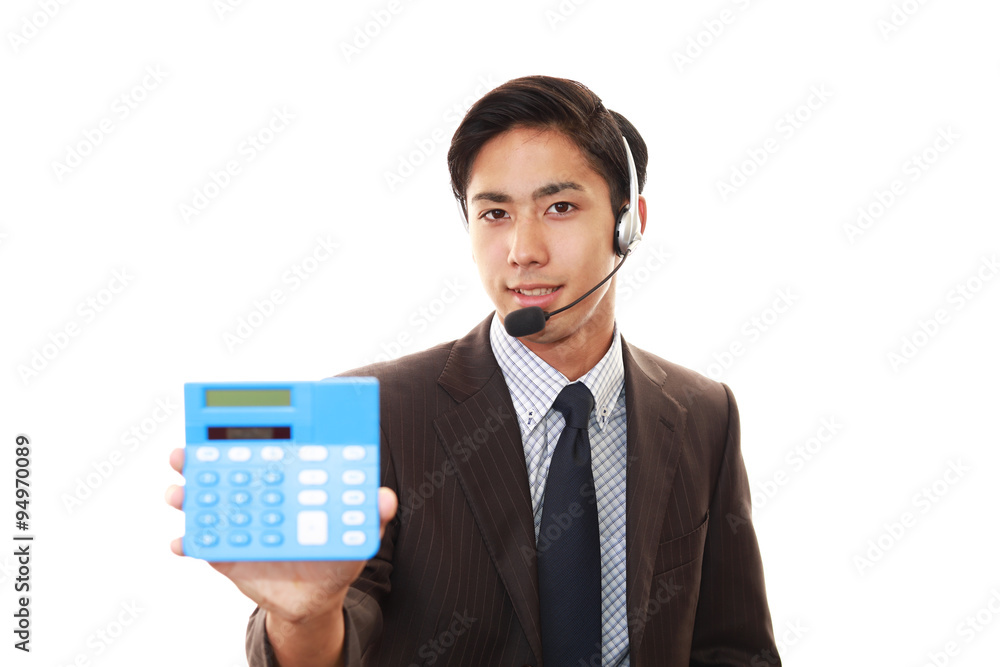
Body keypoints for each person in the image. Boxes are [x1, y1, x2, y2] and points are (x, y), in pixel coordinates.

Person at [167, 75, 780, 666]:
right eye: (495, 214)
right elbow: (332, 639)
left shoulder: (704, 414)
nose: (523, 251)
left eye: (560, 207)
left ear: (628, 222)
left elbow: (735, 650)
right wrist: (305, 618)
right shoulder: (372, 412)